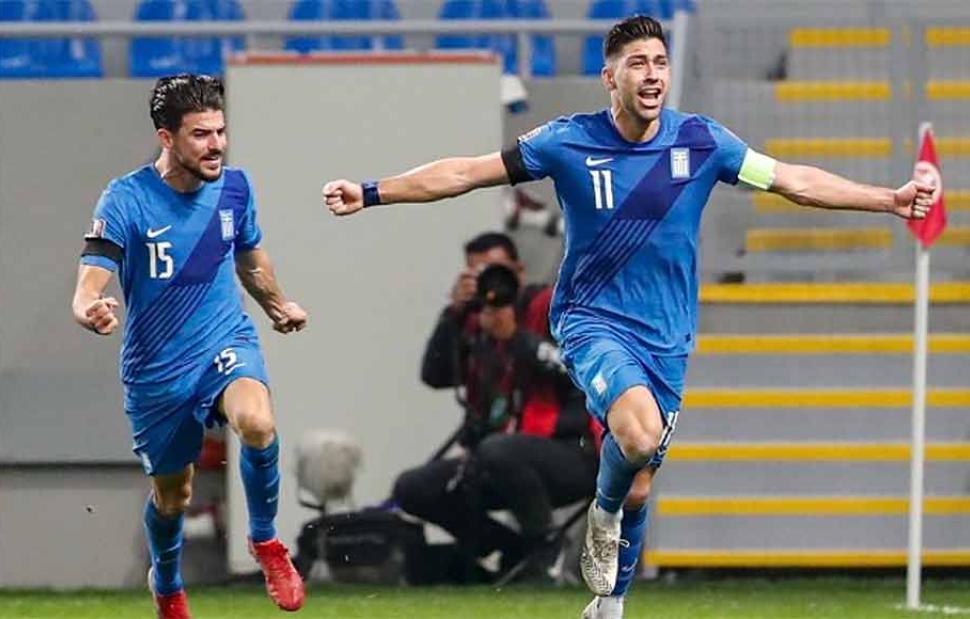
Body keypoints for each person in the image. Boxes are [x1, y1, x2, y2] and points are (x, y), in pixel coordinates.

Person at [321, 15, 934, 619]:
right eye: (638, 64)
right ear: (609, 77)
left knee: (639, 480)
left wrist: (889, 200)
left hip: (667, 338)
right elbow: (465, 172)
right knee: (638, 438)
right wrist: (372, 191)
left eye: (660, 63)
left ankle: (609, 601)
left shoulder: (702, 143)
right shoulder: (566, 141)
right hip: (591, 322)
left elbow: (791, 180)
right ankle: (604, 512)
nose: (653, 75)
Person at [72, 74, 307, 619]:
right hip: (157, 370)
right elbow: (92, 275)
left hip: (224, 341)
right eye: (201, 134)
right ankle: (168, 580)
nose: (216, 144)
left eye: (220, 131)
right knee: (173, 496)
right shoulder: (127, 198)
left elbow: (249, 254)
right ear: (167, 137)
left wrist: (277, 303)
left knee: (257, 423)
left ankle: (266, 541)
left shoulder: (236, 189)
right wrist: (88, 306)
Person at [392, 232, 597, 581]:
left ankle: (545, 547)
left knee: (498, 450)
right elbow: (435, 376)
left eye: (497, 270)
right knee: (413, 488)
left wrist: (516, 338)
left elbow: (583, 370)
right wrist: (453, 314)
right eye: (479, 273)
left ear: (519, 270)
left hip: (572, 452)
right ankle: (514, 550)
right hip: (497, 457)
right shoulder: (475, 321)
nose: (492, 282)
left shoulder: (552, 306)